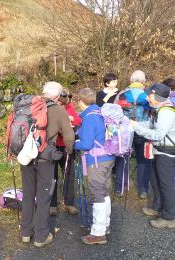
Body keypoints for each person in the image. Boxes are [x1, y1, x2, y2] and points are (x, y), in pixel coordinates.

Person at [20, 82, 75, 247]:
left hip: (26, 157)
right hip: (45, 159)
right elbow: (69, 136)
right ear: (57, 97)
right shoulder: (58, 110)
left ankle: (25, 233)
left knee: (28, 194)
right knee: (44, 197)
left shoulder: (29, 106)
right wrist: (70, 151)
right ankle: (41, 236)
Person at [130, 83, 175, 228]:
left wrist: (136, 128)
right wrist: (134, 123)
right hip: (158, 151)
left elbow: (157, 134)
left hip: (166, 153)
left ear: (157, 96)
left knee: (166, 185)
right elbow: (149, 124)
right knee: (155, 181)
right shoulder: (159, 109)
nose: (147, 98)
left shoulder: (166, 112)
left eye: (149, 95)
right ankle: (157, 207)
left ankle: (169, 217)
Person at [75, 88, 115, 245]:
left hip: (97, 160)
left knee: (97, 193)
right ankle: (105, 225)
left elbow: (86, 144)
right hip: (108, 157)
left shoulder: (90, 118)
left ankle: (98, 233)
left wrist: (72, 142)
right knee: (104, 192)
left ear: (80, 101)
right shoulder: (99, 112)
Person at [115, 70, 152, 199]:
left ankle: (119, 188)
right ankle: (143, 189)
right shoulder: (148, 94)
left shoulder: (123, 93)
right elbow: (152, 112)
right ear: (143, 82)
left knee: (122, 158)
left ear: (131, 81)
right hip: (142, 130)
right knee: (143, 160)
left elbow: (115, 110)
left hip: (125, 130)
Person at [96, 73, 128, 197]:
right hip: (104, 124)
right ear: (107, 83)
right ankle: (108, 171)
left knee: (117, 146)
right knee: (107, 147)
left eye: (116, 81)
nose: (115, 83)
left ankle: (117, 179)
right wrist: (108, 95)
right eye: (113, 81)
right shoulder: (100, 93)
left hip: (117, 125)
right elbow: (99, 106)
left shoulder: (119, 93)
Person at [50, 89, 81, 216]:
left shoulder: (69, 107)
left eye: (65, 100)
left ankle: (69, 202)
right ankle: (51, 204)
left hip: (67, 146)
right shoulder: (50, 108)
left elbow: (78, 120)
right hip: (53, 145)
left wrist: (70, 117)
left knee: (69, 174)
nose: (62, 104)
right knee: (52, 176)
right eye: (60, 101)